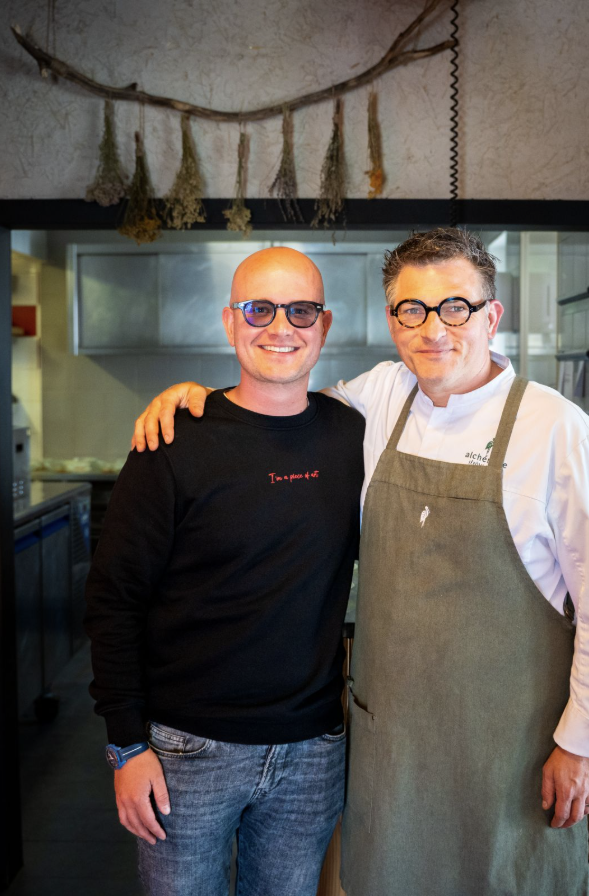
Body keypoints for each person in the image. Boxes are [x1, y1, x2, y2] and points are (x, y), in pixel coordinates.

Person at [133, 228, 589, 896]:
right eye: (412, 309)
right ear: (392, 321)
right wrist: (196, 403)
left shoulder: (557, 430)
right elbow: (277, 398)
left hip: (510, 752)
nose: (433, 328)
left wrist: (583, 745)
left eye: (455, 307)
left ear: (492, 315)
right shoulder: (379, 399)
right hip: (394, 758)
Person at [85, 247, 365, 896]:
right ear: (230, 321)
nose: (280, 326)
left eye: (300, 311)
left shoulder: (354, 435)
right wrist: (127, 747)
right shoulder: (173, 441)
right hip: (187, 749)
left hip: (311, 751)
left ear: (324, 326)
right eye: (259, 308)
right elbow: (113, 599)